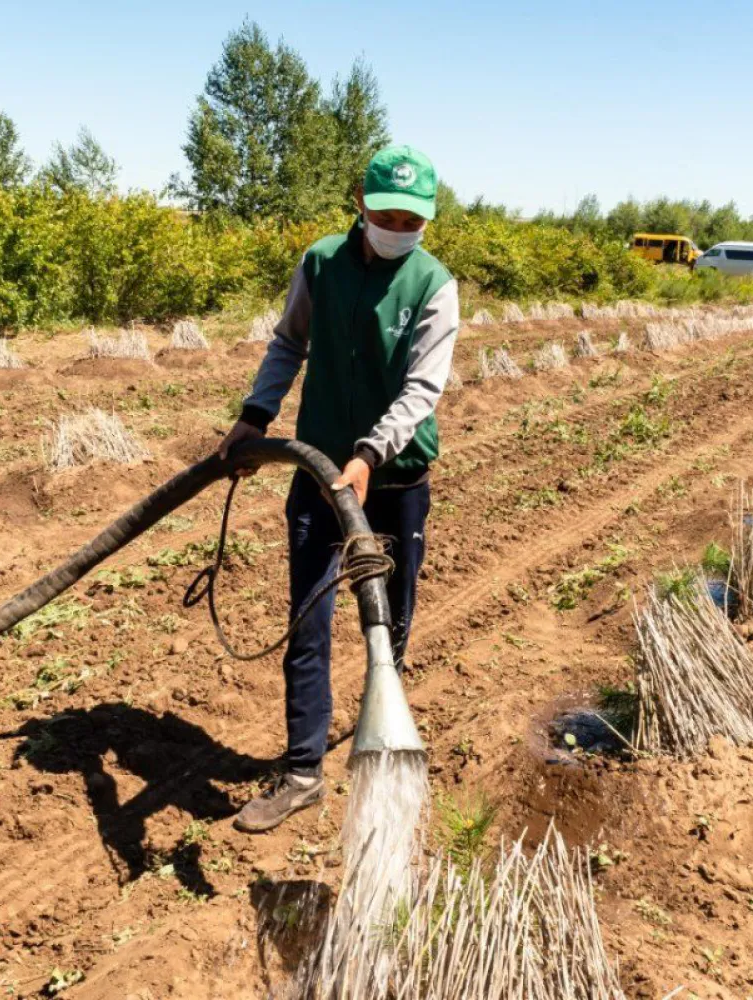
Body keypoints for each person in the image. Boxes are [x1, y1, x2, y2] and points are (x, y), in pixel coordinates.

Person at [218, 145, 459, 833]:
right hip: (318, 475)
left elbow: (422, 389)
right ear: (361, 202)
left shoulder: (433, 283)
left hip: (395, 479)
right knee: (309, 622)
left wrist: (369, 455)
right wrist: (255, 417)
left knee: (390, 622)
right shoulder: (320, 263)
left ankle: (379, 754)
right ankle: (300, 773)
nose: (399, 228)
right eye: (387, 214)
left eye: (413, 220)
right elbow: (289, 343)